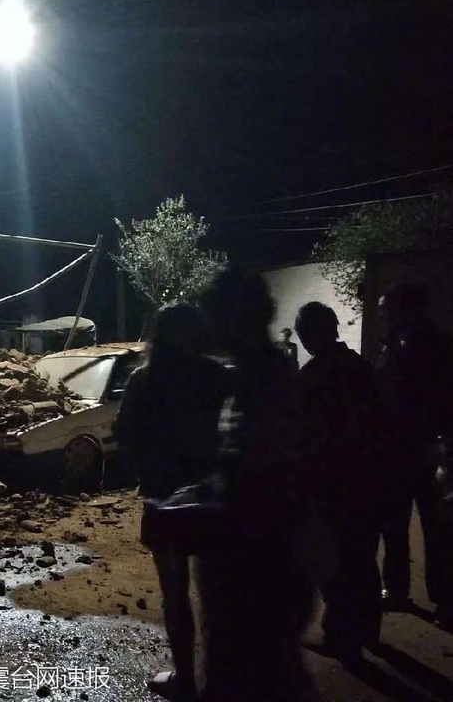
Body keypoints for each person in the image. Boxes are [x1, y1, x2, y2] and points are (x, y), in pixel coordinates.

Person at [196, 268, 317, 702]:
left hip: (255, 551)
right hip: (255, 546)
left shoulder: (265, 377)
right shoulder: (252, 373)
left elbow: (268, 468)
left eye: (214, 315)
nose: (208, 327)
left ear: (236, 317)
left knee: (255, 666)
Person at [113, 304, 228, 702]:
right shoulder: (216, 375)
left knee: (176, 595)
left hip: (164, 499)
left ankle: (186, 680)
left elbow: (123, 433)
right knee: (214, 596)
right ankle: (218, 680)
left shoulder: (145, 379)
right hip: (212, 497)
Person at [294, 301, 384, 663]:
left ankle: (342, 638)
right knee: (362, 557)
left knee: (334, 562)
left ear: (309, 334)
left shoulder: (313, 376)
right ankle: (368, 630)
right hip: (368, 477)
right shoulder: (361, 367)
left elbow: (304, 435)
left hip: (330, 483)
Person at [376, 284, 453, 628]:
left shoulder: (437, 348)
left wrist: (442, 446)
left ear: (406, 310)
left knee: (437, 530)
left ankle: (446, 600)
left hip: (426, 451)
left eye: (386, 309)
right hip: (396, 451)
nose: (382, 315)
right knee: (394, 525)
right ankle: (396, 589)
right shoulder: (392, 346)